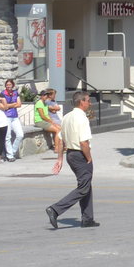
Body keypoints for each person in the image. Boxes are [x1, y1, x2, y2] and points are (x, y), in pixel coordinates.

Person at [47, 90, 99, 229]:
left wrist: (60, 159)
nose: (89, 103)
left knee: (86, 185)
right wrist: (89, 158)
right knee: (83, 188)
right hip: (80, 154)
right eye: (88, 100)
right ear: (81, 102)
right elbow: (83, 142)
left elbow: (60, 139)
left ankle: (88, 218)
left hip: (70, 154)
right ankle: (56, 209)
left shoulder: (67, 117)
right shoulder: (81, 118)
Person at [0, 79, 24, 161]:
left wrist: (10, 105)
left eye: (10, 84)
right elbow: (5, 106)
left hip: (15, 116)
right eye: (7, 85)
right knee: (8, 136)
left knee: (20, 134)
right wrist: (14, 104)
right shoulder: (3, 93)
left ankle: (12, 151)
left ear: (12, 85)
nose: (8, 86)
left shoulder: (15, 93)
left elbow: (19, 104)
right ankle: (10, 155)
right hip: (6, 116)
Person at [33, 88, 62, 152]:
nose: (46, 96)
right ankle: (56, 148)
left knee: (59, 128)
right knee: (57, 130)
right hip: (39, 121)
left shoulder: (45, 104)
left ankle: (59, 145)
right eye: (45, 95)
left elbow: (47, 114)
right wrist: (50, 121)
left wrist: (52, 121)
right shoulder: (39, 103)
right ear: (42, 96)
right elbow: (42, 116)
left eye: (47, 95)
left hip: (45, 121)